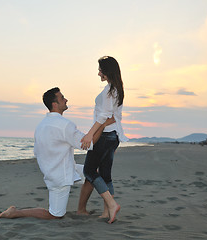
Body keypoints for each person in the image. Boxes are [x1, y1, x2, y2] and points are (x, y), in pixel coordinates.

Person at [0, 87, 115, 220]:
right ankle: (15, 212)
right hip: (59, 176)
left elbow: (37, 151)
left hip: (57, 169)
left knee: (91, 173)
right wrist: (102, 125)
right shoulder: (64, 125)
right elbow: (87, 143)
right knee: (55, 215)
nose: (66, 100)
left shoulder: (41, 125)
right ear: (54, 104)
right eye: (62, 98)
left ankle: (81, 210)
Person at [78, 56, 128, 224]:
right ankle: (107, 212)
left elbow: (105, 115)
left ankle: (112, 205)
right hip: (114, 136)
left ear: (107, 71)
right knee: (105, 174)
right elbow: (116, 117)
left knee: (89, 171)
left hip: (105, 135)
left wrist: (89, 134)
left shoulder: (109, 91)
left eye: (100, 69)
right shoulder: (117, 89)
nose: (98, 72)